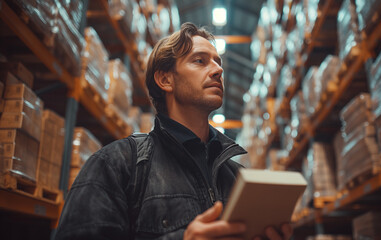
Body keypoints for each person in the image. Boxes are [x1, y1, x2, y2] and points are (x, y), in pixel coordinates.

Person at [55, 22, 292, 240]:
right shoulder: (118, 164)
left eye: (217, 62)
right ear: (165, 80)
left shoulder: (238, 178)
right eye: (200, 60)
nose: (218, 70)